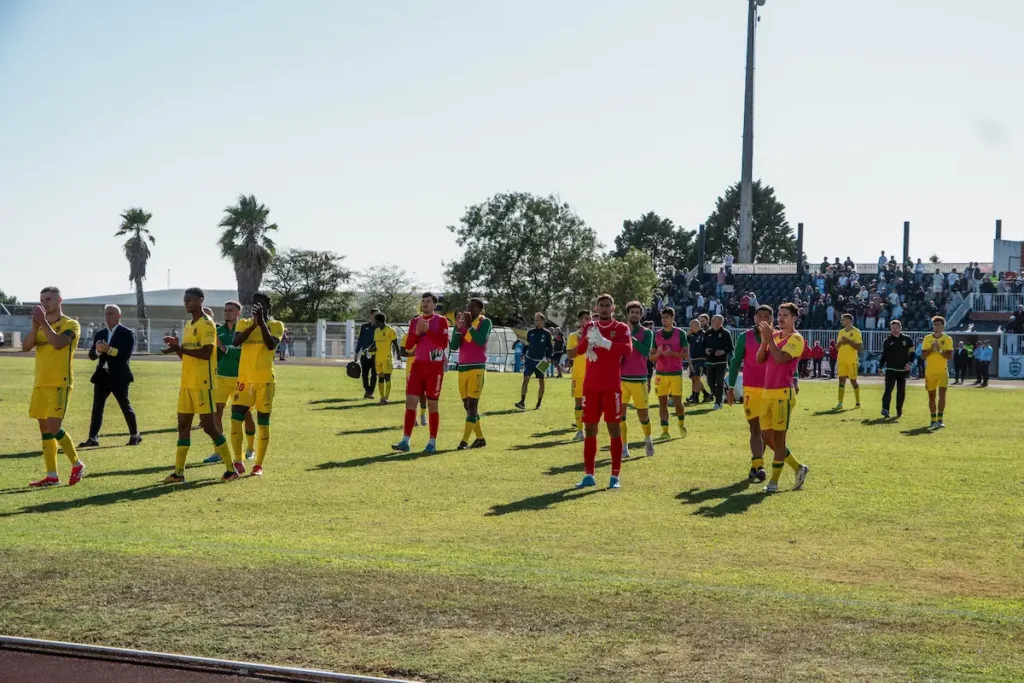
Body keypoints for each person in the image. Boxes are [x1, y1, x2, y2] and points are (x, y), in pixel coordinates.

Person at [160, 288, 237, 483]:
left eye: (190, 299)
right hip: (186, 384)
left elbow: (206, 353)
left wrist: (180, 348)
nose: (186, 303)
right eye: (185, 300)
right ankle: (179, 473)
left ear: (200, 300)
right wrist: (176, 348)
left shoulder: (207, 324)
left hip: (203, 384)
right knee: (183, 426)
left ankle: (231, 469)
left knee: (209, 427)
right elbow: (186, 356)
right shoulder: (188, 325)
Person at [23, 286, 86, 487]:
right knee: (45, 429)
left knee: (54, 426)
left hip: (59, 383)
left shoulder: (71, 324)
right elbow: (25, 347)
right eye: (42, 300)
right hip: (40, 383)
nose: (44, 303)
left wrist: (43, 323)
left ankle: (77, 464)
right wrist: (35, 327)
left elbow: (59, 343)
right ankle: (52, 476)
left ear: (60, 300)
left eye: (48, 299)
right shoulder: (41, 326)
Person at [573, 294, 632, 489]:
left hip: (611, 387)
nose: (605, 308)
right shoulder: (590, 326)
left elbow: (628, 350)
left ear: (613, 308)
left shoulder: (621, 328)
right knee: (590, 429)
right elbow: (580, 350)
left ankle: (615, 476)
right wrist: (588, 343)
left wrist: (606, 343)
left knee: (614, 429)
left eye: (608, 305)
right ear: (596, 308)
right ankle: (589, 475)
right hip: (590, 387)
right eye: (602, 305)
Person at [755, 303, 810, 495]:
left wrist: (769, 339)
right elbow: (759, 359)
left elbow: (780, 358)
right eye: (779, 314)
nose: (780, 318)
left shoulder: (796, 339)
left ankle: (774, 482)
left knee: (779, 439)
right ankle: (798, 467)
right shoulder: (775, 336)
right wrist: (764, 341)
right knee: (767, 437)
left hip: (782, 394)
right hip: (767, 392)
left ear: (794, 318)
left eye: (785, 315)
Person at [230, 292, 285, 477]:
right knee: (235, 418)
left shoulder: (276, 325)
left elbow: (270, 345)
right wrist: (253, 324)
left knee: (263, 422)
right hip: (244, 380)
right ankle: (238, 460)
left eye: (260, 304)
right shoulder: (243, 323)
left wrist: (261, 323)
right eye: (254, 303)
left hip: (265, 381)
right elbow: (235, 342)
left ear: (268, 306)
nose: (256, 306)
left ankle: (258, 465)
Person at [393, 293, 450, 453]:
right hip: (418, 366)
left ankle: (432, 443)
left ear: (434, 304)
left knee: (432, 405)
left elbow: (443, 343)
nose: (425, 304)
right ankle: (405, 441)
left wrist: (428, 331)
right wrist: (417, 333)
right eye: (423, 301)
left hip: (434, 368)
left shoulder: (441, 320)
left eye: (428, 301)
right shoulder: (415, 321)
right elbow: (409, 345)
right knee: (410, 402)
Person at [79, 304, 140, 448]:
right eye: (106, 314)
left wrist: (109, 349)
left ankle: (135, 435)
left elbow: (125, 355)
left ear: (119, 316)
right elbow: (92, 355)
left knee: (125, 406)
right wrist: (98, 351)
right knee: (97, 407)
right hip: (102, 376)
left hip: (119, 376)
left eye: (111, 314)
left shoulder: (127, 333)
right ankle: (92, 438)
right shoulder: (100, 333)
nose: (108, 316)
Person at [726, 304, 774, 483]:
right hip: (751, 389)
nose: (763, 319)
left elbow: (787, 360)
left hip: (772, 388)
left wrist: (795, 378)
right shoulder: (744, 337)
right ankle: (759, 466)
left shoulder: (777, 337)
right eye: (759, 316)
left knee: (766, 431)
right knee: (755, 428)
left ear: (772, 319)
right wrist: (731, 388)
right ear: (754, 318)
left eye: (766, 316)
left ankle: (755, 466)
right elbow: (735, 362)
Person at [205, 300, 255, 464]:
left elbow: (244, 354)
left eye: (231, 310)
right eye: (226, 310)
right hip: (221, 378)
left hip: (241, 379)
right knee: (216, 413)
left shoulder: (243, 331)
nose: (227, 312)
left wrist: (225, 348)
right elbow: (214, 354)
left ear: (238, 313)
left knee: (246, 414)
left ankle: (250, 449)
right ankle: (218, 451)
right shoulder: (217, 332)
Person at [450, 297, 492, 450]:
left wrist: (469, 327)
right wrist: (457, 328)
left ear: (480, 310)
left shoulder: (485, 322)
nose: (470, 309)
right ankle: (480, 438)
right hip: (462, 368)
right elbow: (453, 346)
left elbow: (481, 341)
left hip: (477, 367)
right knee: (466, 405)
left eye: (473, 307)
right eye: (469, 306)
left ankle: (464, 441)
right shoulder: (463, 323)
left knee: (472, 404)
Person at [619, 301, 656, 458]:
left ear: (641, 315)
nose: (634, 315)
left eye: (637, 313)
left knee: (643, 415)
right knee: (620, 414)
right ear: (628, 314)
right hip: (622, 379)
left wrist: (631, 339)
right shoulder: (621, 330)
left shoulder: (647, 333)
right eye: (632, 312)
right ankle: (624, 446)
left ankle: (648, 438)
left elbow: (645, 351)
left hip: (639, 379)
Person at [651, 307, 688, 440]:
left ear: (673, 318)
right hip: (661, 374)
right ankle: (665, 431)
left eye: (667, 317)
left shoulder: (680, 333)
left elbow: (686, 354)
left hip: (675, 373)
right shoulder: (657, 335)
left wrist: (672, 353)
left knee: (678, 403)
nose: (664, 320)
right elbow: (651, 357)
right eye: (663, 317)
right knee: (662, 403)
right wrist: (658, 354)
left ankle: (681, 423)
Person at [922, 316, 954, 429]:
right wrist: (931, 349)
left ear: (943, 326)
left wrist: (939, 350)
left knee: (942, 395)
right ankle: (933, 419)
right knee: (931, 396)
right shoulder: (927, 339)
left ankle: (940, 420)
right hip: (930, 372)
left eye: (938, 325)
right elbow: (923, 356)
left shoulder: (948, 339)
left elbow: (950, 356)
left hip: (942, 372)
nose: (936, 327)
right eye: (934, 325)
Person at [565, 310, 592, 442]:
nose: (589, 320)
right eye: (586, 318)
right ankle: (580, 430)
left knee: (592, 404)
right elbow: (570, 355)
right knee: (578, 403)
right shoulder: (573, 336)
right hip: (578, 375)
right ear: (580, 320)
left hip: (593, 374)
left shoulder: (596, 335)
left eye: (590, 318)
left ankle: (590, 429)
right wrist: (582, 343)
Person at [879, 320, 915, 419]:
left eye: (896, 328)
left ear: (900, 328)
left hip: (903, 370)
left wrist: (909, 364)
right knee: (888, 390)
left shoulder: (907, 339)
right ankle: (885, 409)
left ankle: (899, 411)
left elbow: (912, 353)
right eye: (892, 328)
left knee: (901, 391)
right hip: (891, 369)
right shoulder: (887, 341)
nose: (894, 330)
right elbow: (884, 355)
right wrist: (880, 367)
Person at [516, 313, 552, 410]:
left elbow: (550, 347)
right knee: (526, 379)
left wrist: (549, 357)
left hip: (542, 361)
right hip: (530, 360)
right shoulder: (530, 332)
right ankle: (522, 402)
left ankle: (538, 403)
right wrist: (523, 353)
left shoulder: (547, 333)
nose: (535, 322)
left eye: (537, 320)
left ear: (542, 321)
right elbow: (526, 344)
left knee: (541, 382)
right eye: (535, 320)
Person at [703, 315, 733, 410]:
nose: (718, 324)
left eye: (720, 323)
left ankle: (718, 402)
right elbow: (703, 345)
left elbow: (730, 347)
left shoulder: (726, 333)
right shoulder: (707, 333)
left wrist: (723, 351)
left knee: (719, 381)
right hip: (710, 361)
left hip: (721, 362)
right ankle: (719, 396)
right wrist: (706, 350)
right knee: (710, 382)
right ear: (712, 322)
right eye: (716, 322)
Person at [834, 313, 863, 410]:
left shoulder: (856, 332)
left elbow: (859, 348)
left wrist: (848, 341)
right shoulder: (841, 332)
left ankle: (858, 402)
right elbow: (837, 347)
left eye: (843, 319)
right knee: (841, 380)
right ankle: (840, 403)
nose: (842, 321)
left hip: (852, 361)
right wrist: (841, 342)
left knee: (853, 381)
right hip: (841, 360)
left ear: (849, 321)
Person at [372, 312, 400, 404]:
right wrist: (369, 349)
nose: (374, 323)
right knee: (380, 377)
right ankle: (382, 398)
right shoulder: (376, 331)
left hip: (387, 358)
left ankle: (386, 398)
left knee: (387, 377)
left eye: (375, 321)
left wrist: (398, 355)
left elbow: (395, 344)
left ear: (380, 321)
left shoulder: (390, 330)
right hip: (378, 358)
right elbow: (375, 344)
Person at [353, 307, 380, 399]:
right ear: (371, 315)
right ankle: (367, 390)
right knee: (364, 375)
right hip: (364, 355)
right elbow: (360, 340)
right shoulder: (364, 326)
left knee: (374, 375)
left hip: (376, 355)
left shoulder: (380, 327)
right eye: (375, 314)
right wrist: (356, 352)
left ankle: (371, 392)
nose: (377, 316)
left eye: (378, 314)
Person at [686, 319, 710, 404]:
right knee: (693, 378)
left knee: (697, 377)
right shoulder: (690, 335)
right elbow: (683, 343)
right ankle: (705, 394)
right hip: (692, 359)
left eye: (691, 327)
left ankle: (696, 398)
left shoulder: (704, 334)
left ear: (697, 326)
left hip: (701, 358)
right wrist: (686, 335)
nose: (690, 328)